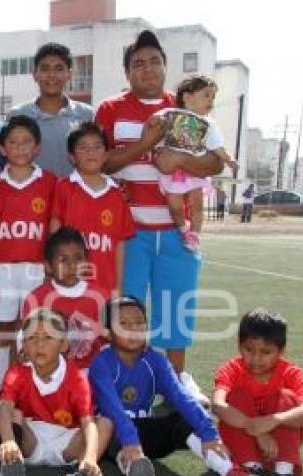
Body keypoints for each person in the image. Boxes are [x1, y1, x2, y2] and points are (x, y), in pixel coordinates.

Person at [95, 29, 222, 386]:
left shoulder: (184, 108)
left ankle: (176, 383)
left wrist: (178, 157)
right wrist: (147, 142)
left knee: (176, 311)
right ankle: (129, 383)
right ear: (127, 72)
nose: (147, 69)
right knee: (127, 313)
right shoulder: (110, 109)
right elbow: (102, 163)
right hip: (128, 231)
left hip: (176, 231)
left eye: (154, 62)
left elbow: (214, 162)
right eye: (138, 64)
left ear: (166, 67)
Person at [88, 296, 274, 476]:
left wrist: (209, 433)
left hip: (147, 432)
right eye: (123, 324)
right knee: (107, 426)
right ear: (107, 333)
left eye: (139, 322)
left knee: (181, 419)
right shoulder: (100, 364)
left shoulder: (156, 360)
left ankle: (230, 473)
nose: (133, 329)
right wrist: (131, 442)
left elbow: (180, 395)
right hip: (117, 434)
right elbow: (112, 407)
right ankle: (139, 474)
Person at [0, 308, 112, 476]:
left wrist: (90, 456)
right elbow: (4, 409)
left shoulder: (76, 378)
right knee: (5, 410)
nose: (39, 344)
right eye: (31, 338)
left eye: (48, 337)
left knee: (105, 423)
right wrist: (10, 441)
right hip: (31, 441)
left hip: (67, 446)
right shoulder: (17, 373)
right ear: (24, 346)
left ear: (64, 344)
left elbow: (87, 423)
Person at [212, 309, 303, 476]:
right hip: (241, 448)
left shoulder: (292, 373)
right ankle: (253, 472)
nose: (256, 359)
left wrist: (273, 421)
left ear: (281, 350)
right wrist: (254, 428)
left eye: (266, 352)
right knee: (236, 396)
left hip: (276, 450)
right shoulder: (231, 369)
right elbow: (218, 404)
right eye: (248, 349)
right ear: (239, 345)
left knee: (287, 398)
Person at [0, 115, 57, 393]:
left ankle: (34, 387)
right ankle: (4, 389)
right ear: (2, 149)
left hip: (35, 270)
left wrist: (50, 266)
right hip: (1, 270)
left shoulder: (49, 182)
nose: (20, 148)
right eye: (13, 142)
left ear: (37, 146)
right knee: (1, 332)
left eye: (27, 142)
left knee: (35, 331)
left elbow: (54, 227)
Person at [148, 75, 237, 252]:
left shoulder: (209, 123)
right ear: (187, 97)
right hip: (174, 172)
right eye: (206, 95)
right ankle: (184, 229)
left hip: (196, 170)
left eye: (212, 97)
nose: (210, 101)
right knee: (174, 206)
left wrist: (228, 158)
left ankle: (195, 235)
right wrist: (152, 122)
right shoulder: (170, 114)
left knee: (197, 204)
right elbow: (154, 122)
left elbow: (216, 145)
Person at [50, 122, 136, 297]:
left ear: (106, 155)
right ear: (72, 157)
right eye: (83, 147)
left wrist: (117, 286)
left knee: (100, 324)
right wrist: (54, 270)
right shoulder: (64, 187)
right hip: (70, 281)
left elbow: (119, 243)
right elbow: (54, 231)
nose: (91, 152)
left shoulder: (118, 194)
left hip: (105, 283)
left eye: (97, 147)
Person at [20, 227, 107, 373]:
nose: (72, 266)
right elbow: (28, 346)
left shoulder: (101, 297)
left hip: (92, 372)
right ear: (48, 266)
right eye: (63, 260)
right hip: (50, 371)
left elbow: (109, 344)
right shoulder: (36, 299)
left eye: (78, 258)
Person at [7, 43, 93, 177]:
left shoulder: (87, 115)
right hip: (33, 196)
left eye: (59, 68)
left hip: (76, 197)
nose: (52, 75)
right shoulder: (17, 115)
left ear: (69, 74)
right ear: (35, 74)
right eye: (45, 69)